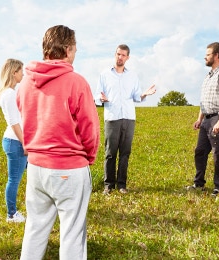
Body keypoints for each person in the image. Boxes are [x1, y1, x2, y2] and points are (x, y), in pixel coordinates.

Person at [17, 25, 100, 260]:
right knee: (72, 232)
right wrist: (89, 156)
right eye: (74, 48)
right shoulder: (76, 81)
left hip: (35, 166)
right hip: (69, 167)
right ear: (67, 49)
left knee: (34, 228)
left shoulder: (25, 83)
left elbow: (26, 120)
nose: (75, 53)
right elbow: (90, 128)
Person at [95, 44, 156, 195]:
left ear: (127, 58)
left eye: (123, 55)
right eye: (117, 54)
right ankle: (108, 185)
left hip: (129, 118)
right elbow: (97, 95)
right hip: (112, 118)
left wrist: (144, 94)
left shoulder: (132, 76)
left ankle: (121, 185)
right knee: (110, 153)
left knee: (125, 153)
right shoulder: (104, 75)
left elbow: (136, 96)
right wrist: (101, 98)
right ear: (114, 55)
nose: (119, 57)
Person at [186, 42, 219, 196]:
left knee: (218, 153)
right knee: (200, 151)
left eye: (207, 54)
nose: (205, 57)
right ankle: (198, 183)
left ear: (216, 55)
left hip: (218, 117)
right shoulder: (208, 76)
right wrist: (199, 119)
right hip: (206, 118)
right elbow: (204, 100)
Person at [0, 58, 28, 223]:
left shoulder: (11, 92)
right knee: (14, 179)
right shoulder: (9, 94)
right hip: (15, 141)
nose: (22, 74)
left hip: (17, 140)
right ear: (13, 72)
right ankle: (11, 214)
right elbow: (14, 122)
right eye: (20, 71)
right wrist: (24, 142)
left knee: (23, 176)